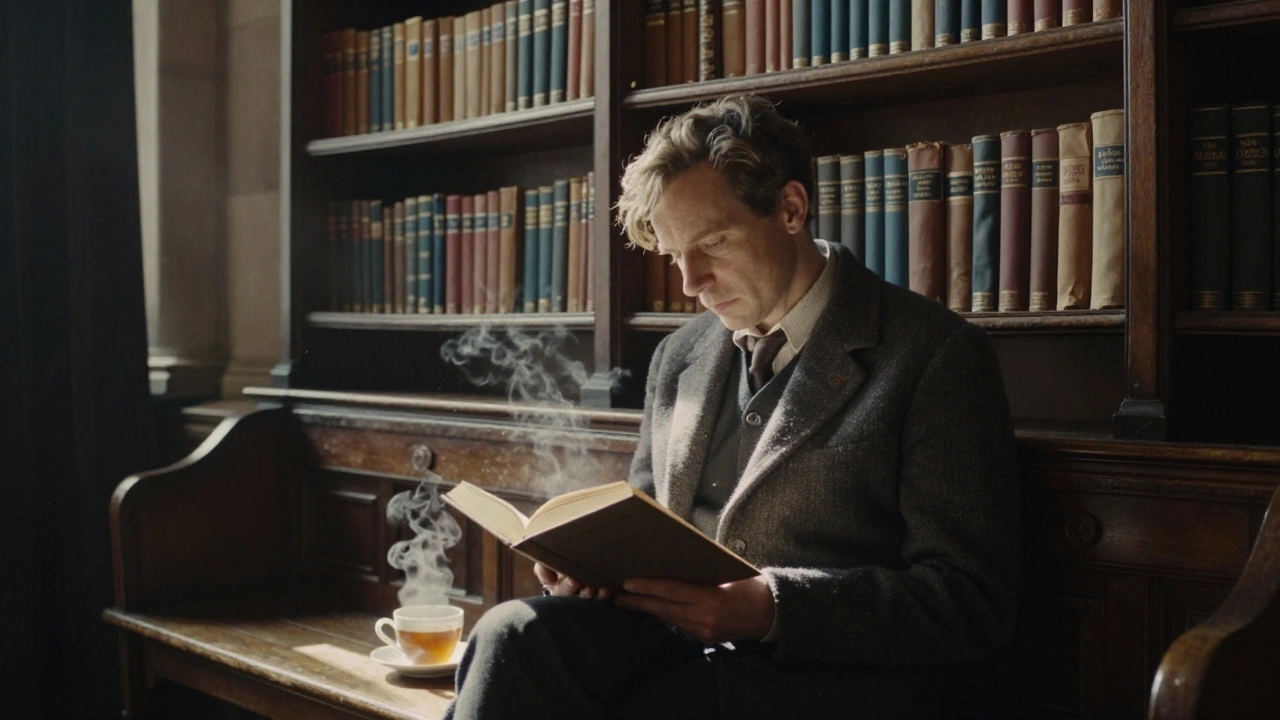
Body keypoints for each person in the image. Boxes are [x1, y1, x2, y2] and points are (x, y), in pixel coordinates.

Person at [444, 95, 1021, 720]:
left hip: (818, 683)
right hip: (672, 652)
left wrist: (771, 606)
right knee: (510, 632)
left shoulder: (934, 354)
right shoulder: (678, 356)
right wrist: (592, 573)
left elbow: (969, 603)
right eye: (674, 255)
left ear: (791, 208)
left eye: (713, 243)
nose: (690, 282)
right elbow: (642, 523)